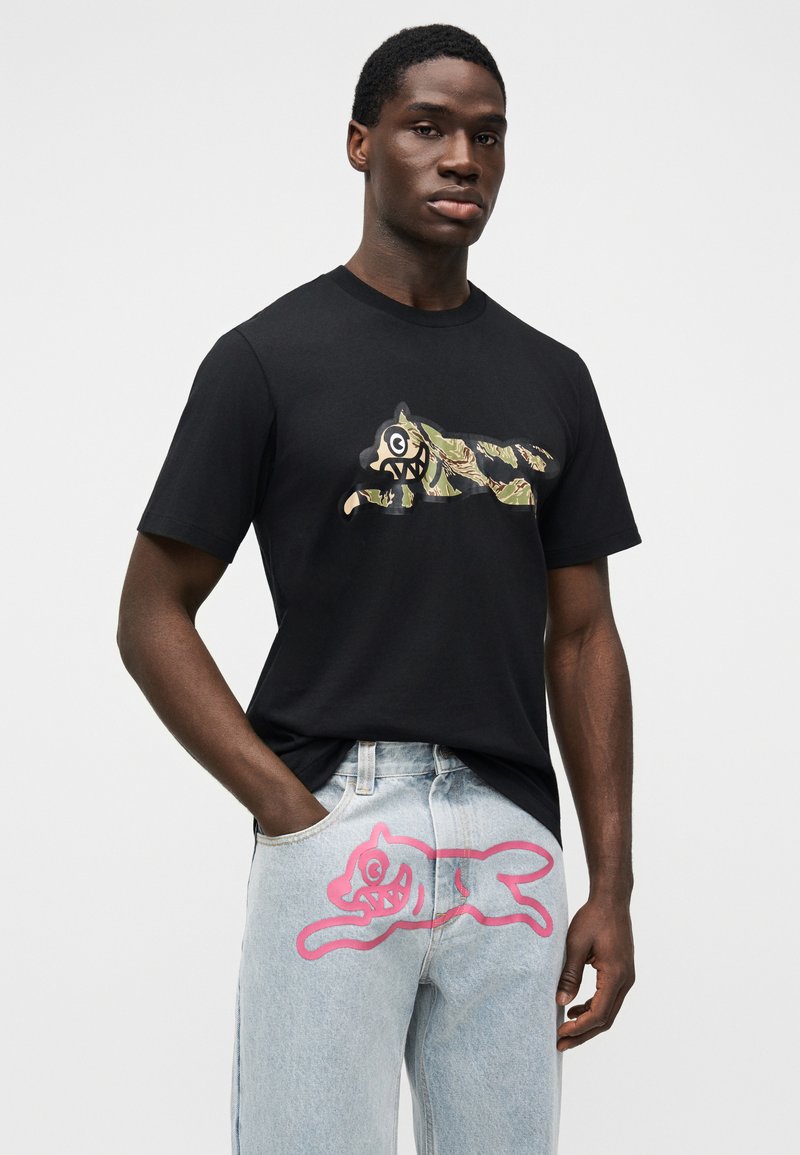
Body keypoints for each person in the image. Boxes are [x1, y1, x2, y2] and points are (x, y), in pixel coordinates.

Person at [117, 22, 642, 1155]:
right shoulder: (265, 359)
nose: (462, 158)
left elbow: (583, 637)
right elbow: (151, 613)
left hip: (510, 843)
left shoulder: (552, 377)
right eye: (428, 127)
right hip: (336, 821)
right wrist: (285, 809)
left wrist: (611, 884)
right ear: (361, 143)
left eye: (488, 136)